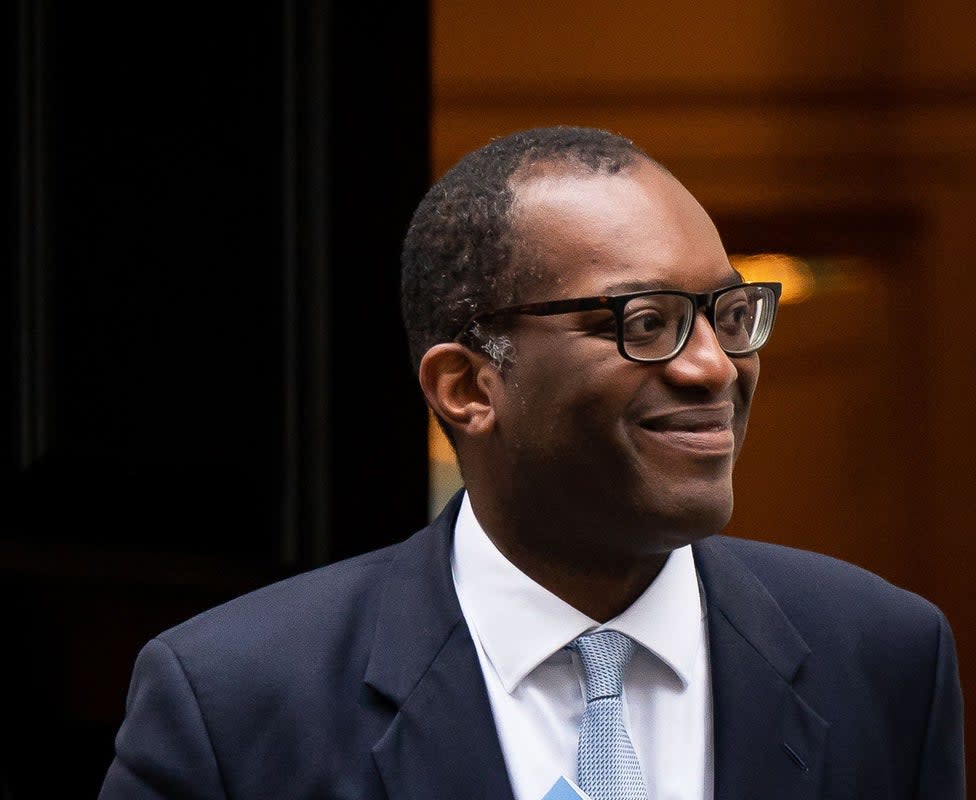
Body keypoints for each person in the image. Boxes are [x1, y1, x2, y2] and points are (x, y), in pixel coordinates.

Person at [98, 126, 964, 800]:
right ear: (468, 386)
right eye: (646, 321)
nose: (713, 367)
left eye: (730, 313)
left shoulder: (881, 657)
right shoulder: (237, 699)